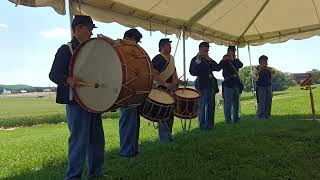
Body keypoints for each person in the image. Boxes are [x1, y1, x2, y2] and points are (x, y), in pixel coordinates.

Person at [49, 15, 105, 179]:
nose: (91, 33)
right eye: (89, 29)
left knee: (97, 140)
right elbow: (54, 74)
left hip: (93, 101)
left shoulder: (91, 51)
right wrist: (68, 79)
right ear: (78, 29)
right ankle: (73, 177)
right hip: (76, 103)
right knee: (79, 141)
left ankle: (96, 174)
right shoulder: (65, 49)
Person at [152, 38, 187, 142]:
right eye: (168, 45)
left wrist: (181, 82)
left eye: (170, 45)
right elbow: (154, 75)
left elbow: (174, 74)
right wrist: (165, 84)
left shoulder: (171, 58)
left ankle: (169, 135)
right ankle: (163, 139)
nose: (170, 47)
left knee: (170, 113)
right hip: (161, 90)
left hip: (172, 90)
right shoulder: (157, 59)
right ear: (162, 47)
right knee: (162, 113)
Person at [119, 28, 143, 157]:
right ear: (128, 39)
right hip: (125, 93)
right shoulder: (120, 50)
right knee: (127, 121)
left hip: (134, 93)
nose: (137, 44)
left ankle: (133, 149)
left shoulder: (132, 53)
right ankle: (126, 151)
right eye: (136, 41)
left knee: (134, 123)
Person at [189, 42, 219, 130]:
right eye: (205, 49)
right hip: (201, 85)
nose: (207, 51)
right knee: (202, 106)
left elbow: (217, 68)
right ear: (200, 49)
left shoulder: (208, 59)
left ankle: (210, 125)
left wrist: (209, 59)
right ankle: (202, 126)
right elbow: (192, 72)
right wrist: (198, 61)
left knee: (211, 106)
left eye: (207, 49)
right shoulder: (194, 59)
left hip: (211, 85)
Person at [218, 46, 243, 124]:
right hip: (228, 83)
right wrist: (224, 59)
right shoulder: (225, 60)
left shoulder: (236, 60)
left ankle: (236, 119)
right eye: (231, 51)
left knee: (236, 103)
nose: (233, 52)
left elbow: (241, 65)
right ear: (228, 51)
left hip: (236, 83)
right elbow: (219, 67)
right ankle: (228, 120)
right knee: (227, 104)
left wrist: (233, 59)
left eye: (234, 51)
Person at [253, 55, 275, 119]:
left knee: (268, 101)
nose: (265, 62)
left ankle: (267, 115)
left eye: (266, 61)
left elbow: (274, 73)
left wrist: (267, 68)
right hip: (260, 87)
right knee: (261, 102)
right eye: (263, 61)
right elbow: (254, 76)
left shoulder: (269, 68)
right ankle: (260, 116)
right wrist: (260, 69)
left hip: (268, 86)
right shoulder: (256, 68)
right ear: (260, 62)